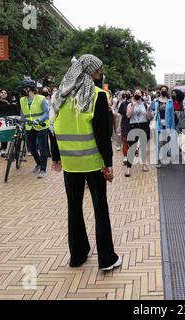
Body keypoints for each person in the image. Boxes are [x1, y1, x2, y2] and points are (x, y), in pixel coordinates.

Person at [51, 54, 121, 271]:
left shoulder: (59, 95)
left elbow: (52, 128)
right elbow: (102, 134)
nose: (101, 76)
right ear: (91, 73)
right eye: (99, 72)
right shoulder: (98, 96)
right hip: (92, 162)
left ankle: (78, 255)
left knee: (74, 207)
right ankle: (107, 259)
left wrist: (56, 157)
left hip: (70, 163)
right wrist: (107, 163)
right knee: (100, 208)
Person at [19, 80, 50, 179]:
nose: (22, 90)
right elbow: (23, 114)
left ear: (29, 89)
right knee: (31, 148)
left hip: (41, 126)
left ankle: (43, 169)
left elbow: (46, 113)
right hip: (29, 126)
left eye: (24, 88)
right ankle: (38, 163)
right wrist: (21, 124)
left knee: (42, 147)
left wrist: (39, 120)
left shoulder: (41, 98)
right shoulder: (22, 100)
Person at [125, 89, 152, 177]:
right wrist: (133, 105)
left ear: (142, 95)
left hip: (144, 126)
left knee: (143, 147)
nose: (137, 94)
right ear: (133, 95)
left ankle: (144, 165)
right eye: (136, 93)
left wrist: (149, 110)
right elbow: (128, 115)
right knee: (132, 148)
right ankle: (128, 169)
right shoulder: (130, 104)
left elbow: (149, 118)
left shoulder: (145, 105)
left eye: (139, 93)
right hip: (133, 126)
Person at [151, 85, 175, 168]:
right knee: (159, 143)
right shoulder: (155, 101)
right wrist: (154, 112)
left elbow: (172, 115)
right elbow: (152, 111)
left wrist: (172, 127)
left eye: (165, 89)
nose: (164, 91)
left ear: (167, 91)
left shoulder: (170, 101)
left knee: (166, 142)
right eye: (162, 89)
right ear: (160, 91)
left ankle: (164, 157)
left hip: (167, 124)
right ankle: (157, 160)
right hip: (159, 124)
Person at [0, 89, 12, 157]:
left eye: (5, 93)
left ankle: (3, 151)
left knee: (5, 136)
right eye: (2, 92)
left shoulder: (9, 103)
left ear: (7, 95)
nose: (3, 94)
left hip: (5, 121)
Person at [118, 90, 132, 165]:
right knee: (125, 140)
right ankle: (126, 156)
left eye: (129, 93)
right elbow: (120, 116)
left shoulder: (134, 104)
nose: (127, 94)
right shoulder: (122, 104)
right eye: (126, 93)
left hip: (133, 124)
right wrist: (119, 126)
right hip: (125, 124)